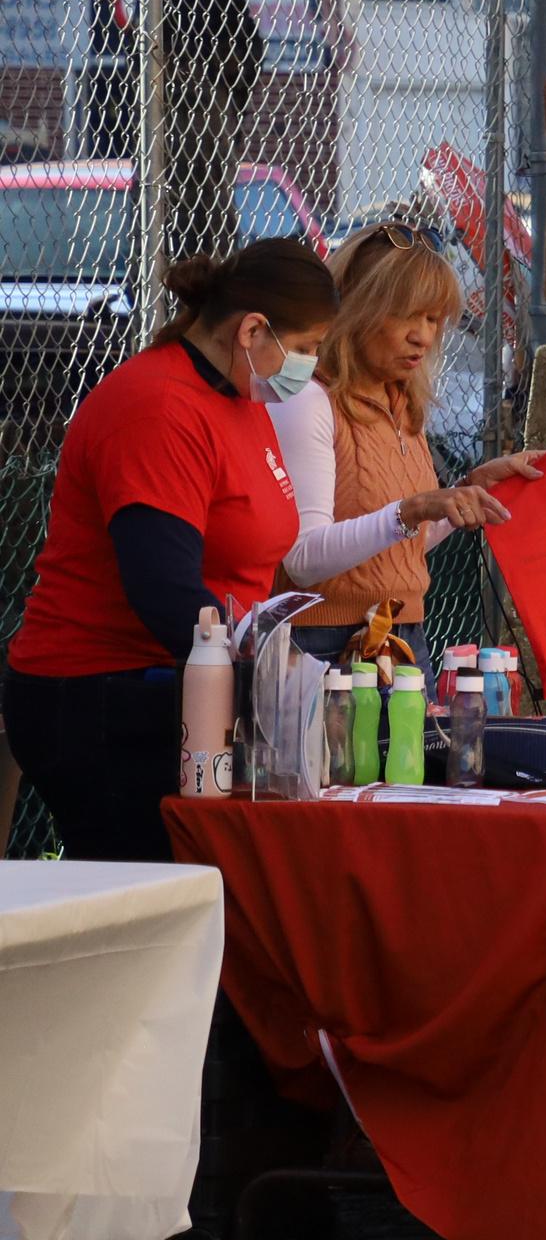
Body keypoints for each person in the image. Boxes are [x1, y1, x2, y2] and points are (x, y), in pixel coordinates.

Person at [3, 240, 339, 860]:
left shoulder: (239, 397)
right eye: (306, 346)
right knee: (150, 896)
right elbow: (163, 589)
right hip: (104, 695)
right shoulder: (159, 406)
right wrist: (261, 678)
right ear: (252, 331)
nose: (312, 366)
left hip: (182, 686)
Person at [271, 224, 542, 659]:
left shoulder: (401, 401)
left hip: (402, 636)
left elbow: (396, 545)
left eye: (433, 319)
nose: (424, 336)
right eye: (406, 315)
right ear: (354, 308)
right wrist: (412, 509)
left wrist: (464, 495)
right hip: (322, 645)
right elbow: (302, 561)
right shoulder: (309, 400)